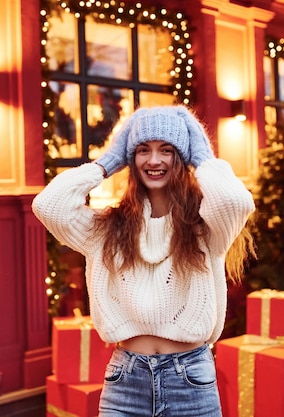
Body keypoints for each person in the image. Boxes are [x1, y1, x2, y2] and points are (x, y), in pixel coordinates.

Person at [32, 105, 255, 416]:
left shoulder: (206, 228)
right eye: (142, 150)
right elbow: (49, 206)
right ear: (130, 158)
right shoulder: (107, 229)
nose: (154, 160)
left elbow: (236, 201)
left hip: (190, 379)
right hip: (126, 379)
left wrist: (202, 158)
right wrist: (107, 163)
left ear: (182, 157)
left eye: (167, 150)